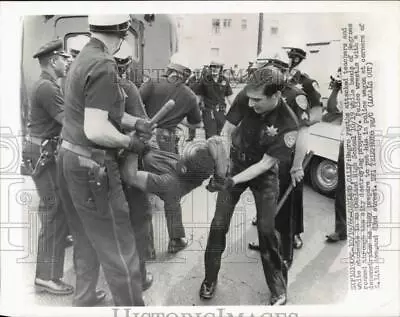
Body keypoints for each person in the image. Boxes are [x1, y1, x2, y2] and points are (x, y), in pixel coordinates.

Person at [58, 15, 155, 307]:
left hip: (70, 158)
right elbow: (97, 128)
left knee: (86, 237)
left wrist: (136, 122)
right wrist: (130, 141)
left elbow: (104, 113)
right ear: (123, 34)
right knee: (119, 247)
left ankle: (85, 298)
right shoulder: (104, 64)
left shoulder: (81, 58)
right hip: (93, 165)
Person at [199, 66, 309, 305]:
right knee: (218, 224)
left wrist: (231, 181)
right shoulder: (246, 96)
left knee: (268, 231)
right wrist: (222, 166)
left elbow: (265, 164)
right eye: (249, 98)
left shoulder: (289, 124)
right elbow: (226, 131)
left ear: (275, 96)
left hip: (263, 173)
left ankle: (278, 287)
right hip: (236, 163)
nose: (250, 104)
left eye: (258, 100)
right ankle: (209, 278)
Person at [246, 52, 310, 269]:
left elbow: (303, 133)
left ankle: (285, 254)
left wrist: (297, 165)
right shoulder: (259, 93)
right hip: (265, 157)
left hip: (284, 160)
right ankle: (266, 244)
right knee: (266, 207)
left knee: (285, 211)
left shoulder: (295, 94)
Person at [22, 39, 74, 296]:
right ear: (54, 61)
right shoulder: (47, 88)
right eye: (64, 59)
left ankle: (54, 251)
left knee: (54, 209)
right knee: (54, 211)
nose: (67, 62)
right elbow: (68, 122)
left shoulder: (48, 84)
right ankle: (46, 276)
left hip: (43, 151)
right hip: (43, 153)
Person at [120, 136, 229, 253]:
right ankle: (175, 240)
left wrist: (131, 148)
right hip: (165, 168)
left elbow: (130, 176)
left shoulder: (171, 179)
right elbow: (216, 142)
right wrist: (219, 176)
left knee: (165, 200)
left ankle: (166, 243)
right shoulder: (188, 166)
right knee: (172, 200)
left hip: (144, 169)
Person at [114, 40, 154, 289]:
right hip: (126, 161)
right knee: (139, 216)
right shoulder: (127, 87)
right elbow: (144, 127)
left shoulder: (88, 85)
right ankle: (138, 276)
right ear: (126, 64)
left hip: (98, 163)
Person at [285, 45, 323, 249]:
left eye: (295, 57)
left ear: (300, 59)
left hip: (294, 144)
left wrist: (302, 125)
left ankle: (293, 233)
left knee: (293, 189)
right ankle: (270, 227)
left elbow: (318, 112)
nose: (291, 60)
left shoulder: (307, 82)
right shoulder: (277, 79)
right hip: (274, 144)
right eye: (289, 57)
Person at [139, 52, 203, 154]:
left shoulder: (152, 83)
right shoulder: (190, 96)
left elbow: (133, 105)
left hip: (144, 136)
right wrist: (179, 119)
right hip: (167, 141)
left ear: (169, 68)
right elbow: (197, 124)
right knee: (167, 167)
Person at [325, 68, 347, 242]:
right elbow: (332, 108)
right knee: (343, 188)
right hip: (347, 143)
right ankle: (341, 230)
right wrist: (336, 87)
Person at [192, 60, 234, 139]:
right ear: (210, 68)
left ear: (220, 69)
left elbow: (230, 98)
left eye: (217, 67)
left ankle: (217, 151)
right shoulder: (204, 80)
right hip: (208, 112)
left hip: (221, 112)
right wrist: (195, 112)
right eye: (213, 67)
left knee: (219, 136)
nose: (215, 69)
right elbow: (198, 99)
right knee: (211, 136)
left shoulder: (224, 80)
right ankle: (210, 150)